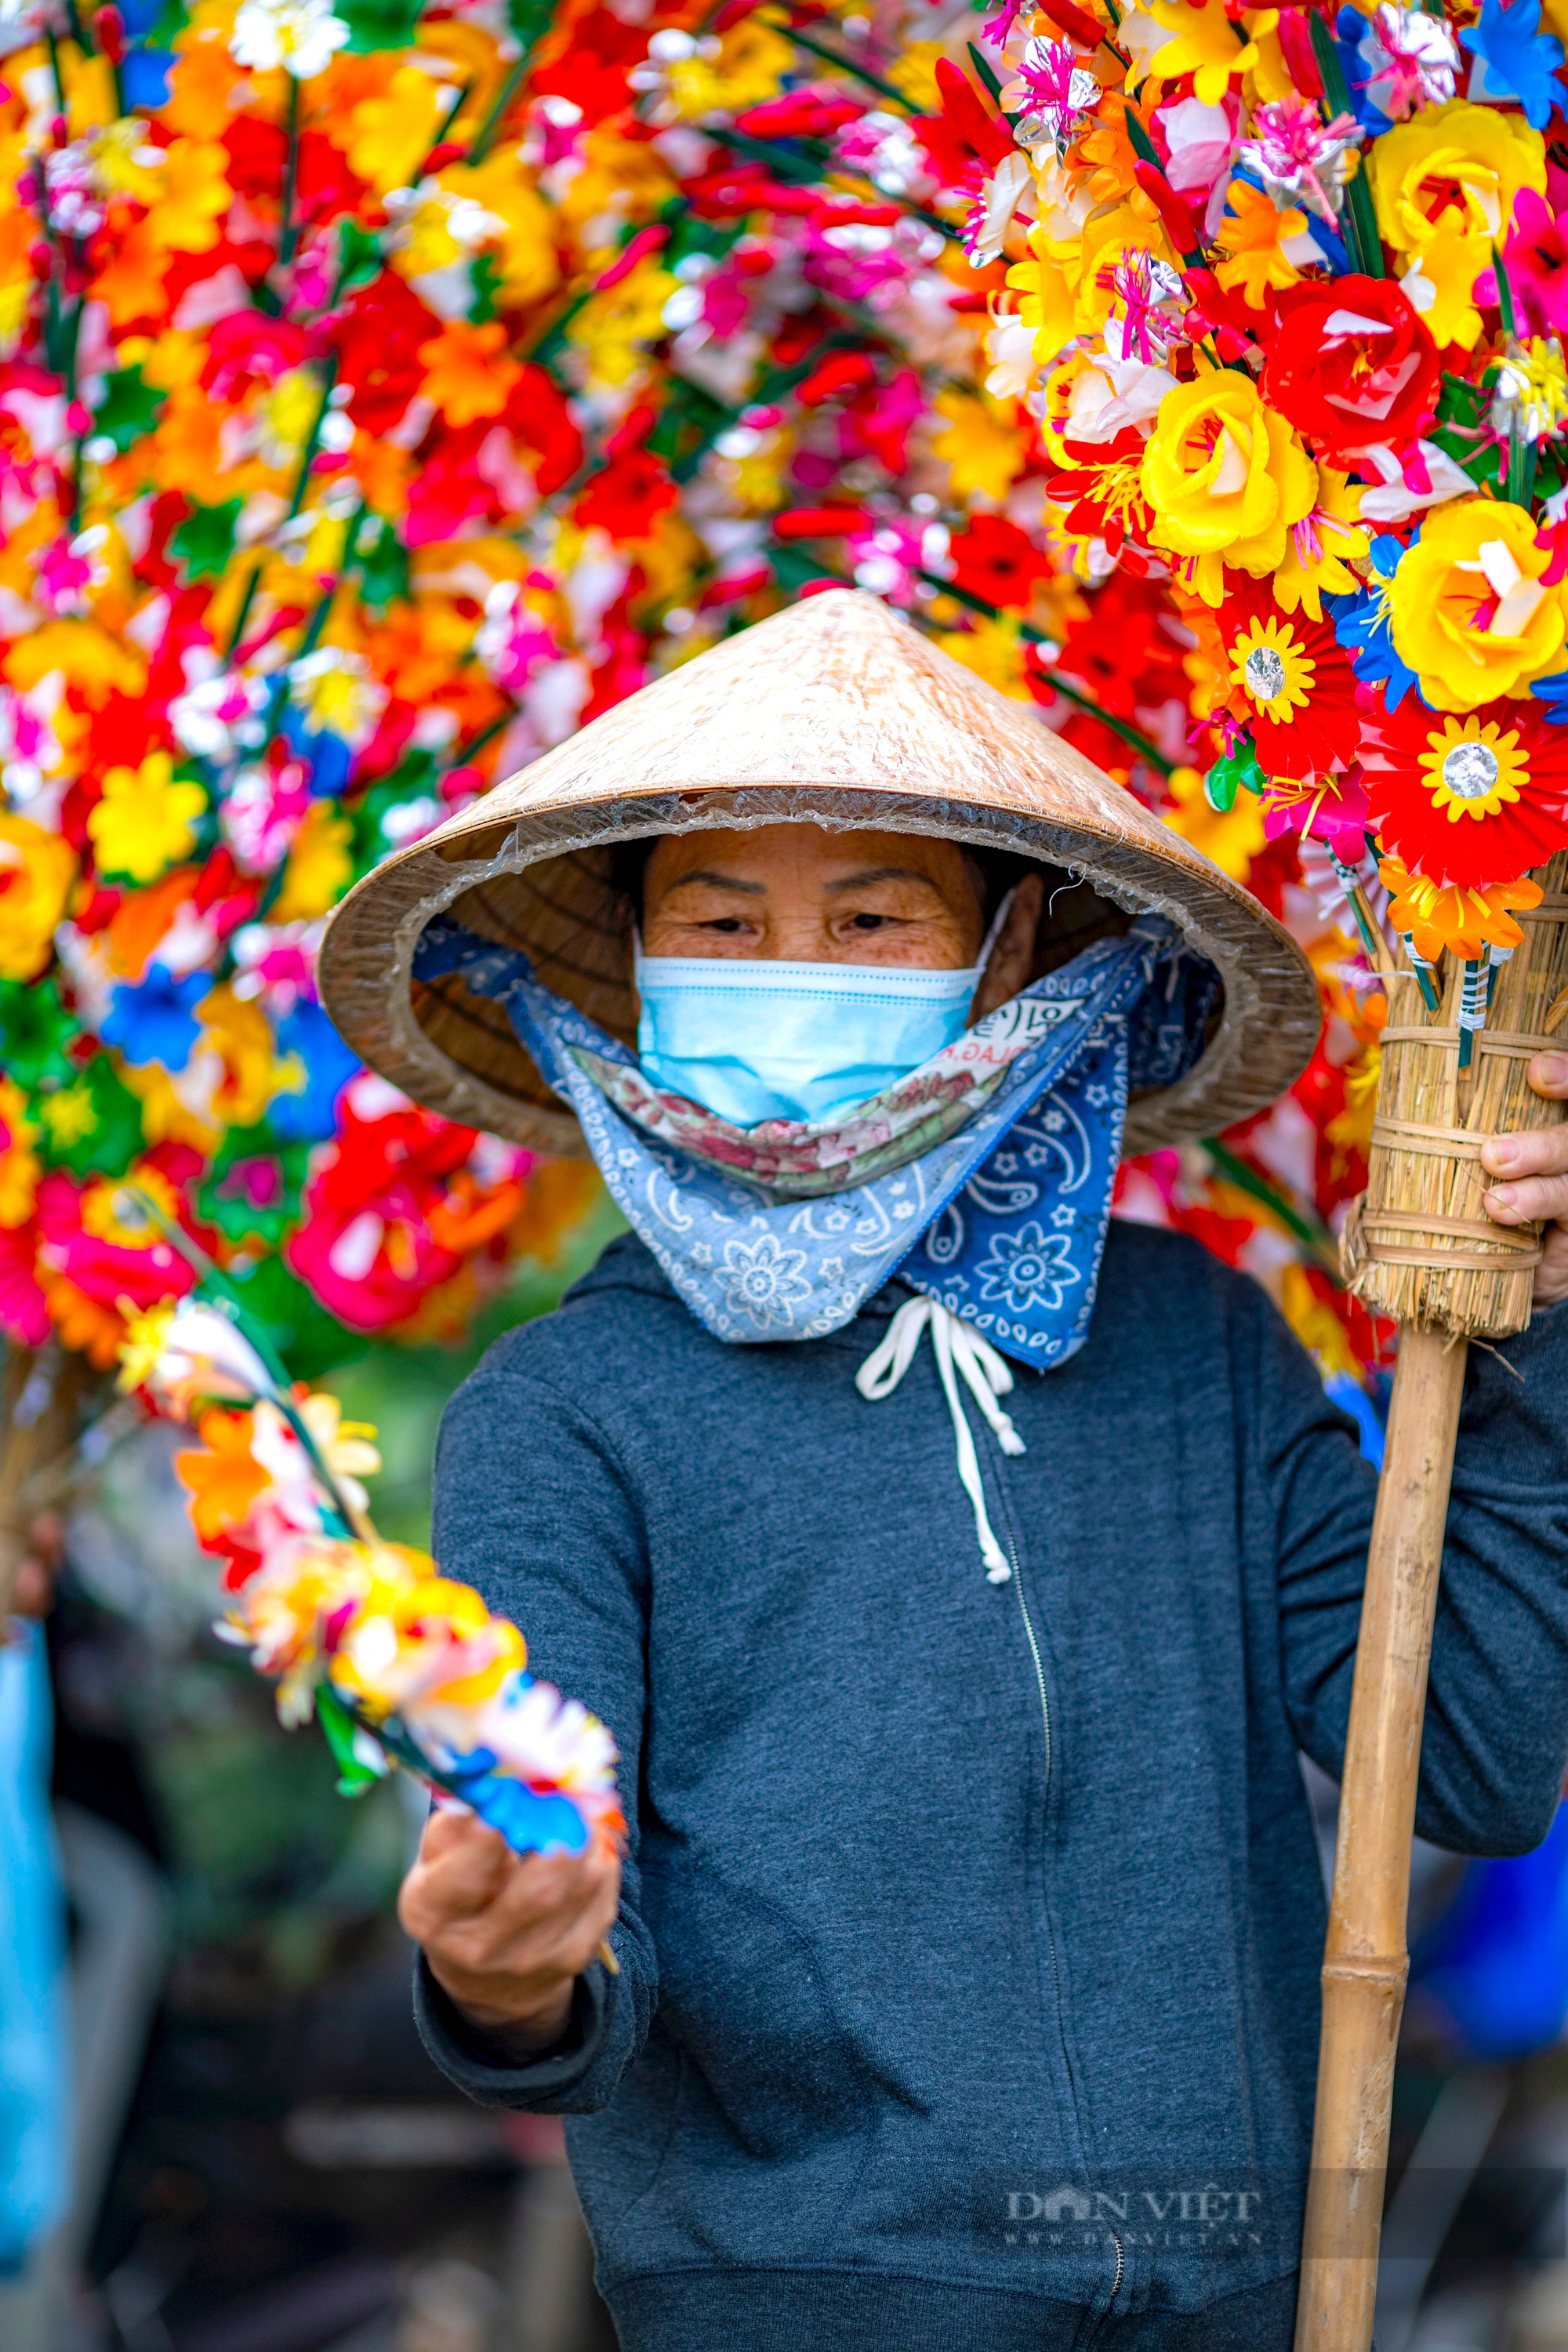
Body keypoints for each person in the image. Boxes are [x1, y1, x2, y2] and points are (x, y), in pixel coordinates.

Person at [321, 590, 1568, 2352]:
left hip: (1246, 2291)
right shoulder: (565, 1410)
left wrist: (1543, 1344)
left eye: (870, 916)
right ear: (639, 961)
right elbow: (558, 1936)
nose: (785, 971)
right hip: (808, 2309)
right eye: (722, 921)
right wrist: (507, 1966)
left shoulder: (1187, 1346)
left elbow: (1472, 1752)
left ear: (1007, 958)